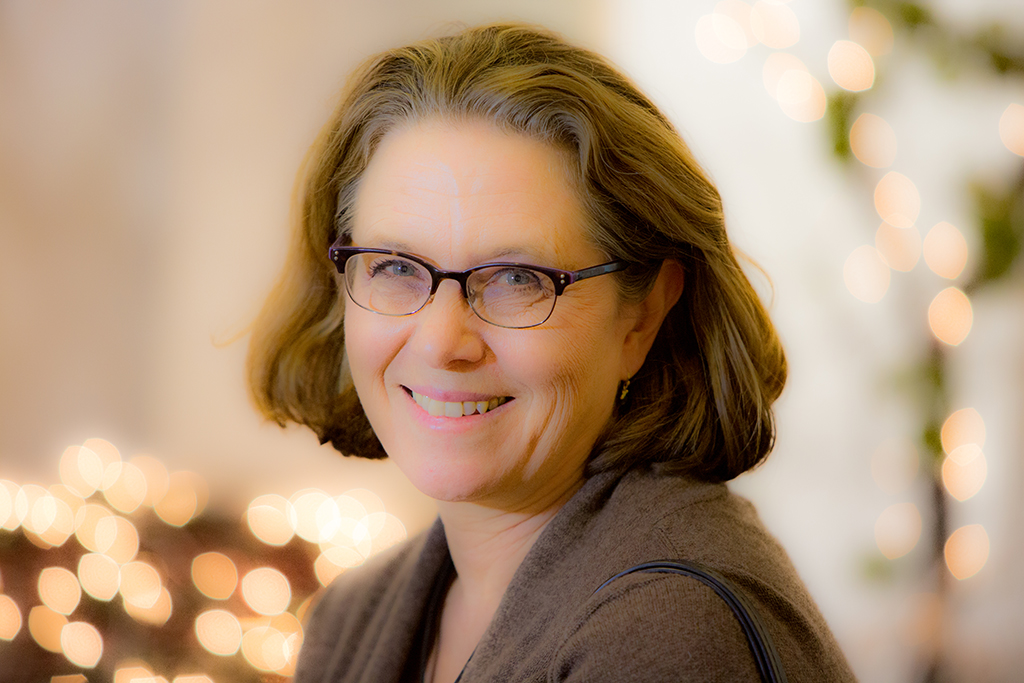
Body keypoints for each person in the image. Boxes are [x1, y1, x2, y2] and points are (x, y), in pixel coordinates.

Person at [247, 22, 857, 683]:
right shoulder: (352, 619)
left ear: (643, 315)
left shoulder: (668, 632)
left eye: (517, 278)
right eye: (395, 267)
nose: (442, 340)